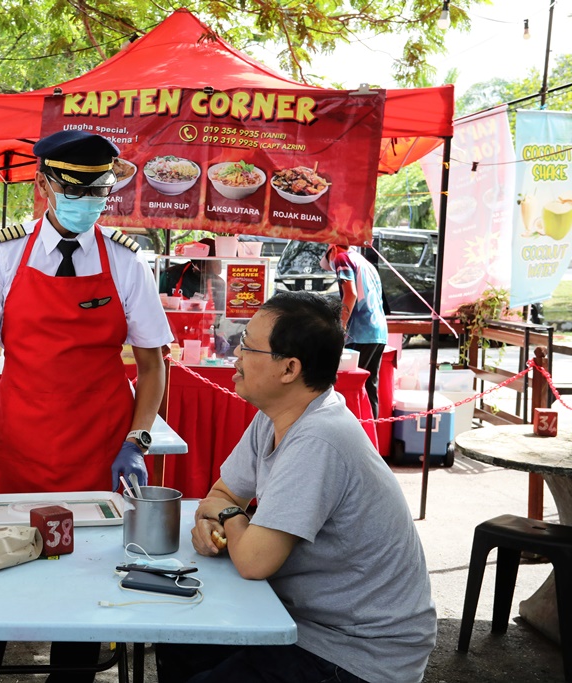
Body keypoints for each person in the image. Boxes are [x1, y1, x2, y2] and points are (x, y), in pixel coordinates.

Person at [0, 129, 173, 682]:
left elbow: (152, 366)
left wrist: (137, 441)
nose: (87, 202)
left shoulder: (125, 262)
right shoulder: (2, 256)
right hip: (19, 452)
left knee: (86, 596)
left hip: (99, 453)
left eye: (98, 192)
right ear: (44, 185)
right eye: (76, 191)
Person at [155, 291, 436, 683]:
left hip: (356, 652)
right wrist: (220, 521)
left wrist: (229, 516)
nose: (235, 354)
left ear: (289, 369)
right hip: (301, 620)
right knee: (175, 639)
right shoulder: (276, 417)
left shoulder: (319, 437)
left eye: (246, 345)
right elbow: (220, 494)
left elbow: (253, 560)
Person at [321, 244, 388, 417]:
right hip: (378, 331)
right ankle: (371, 430)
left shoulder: (341, 258)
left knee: (349, 387)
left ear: (332, 250)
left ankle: (351, 431)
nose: (332, 266)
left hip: (360, 332)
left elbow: (350, 294)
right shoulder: (364, 262)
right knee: (369, 387)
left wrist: (341, 326)